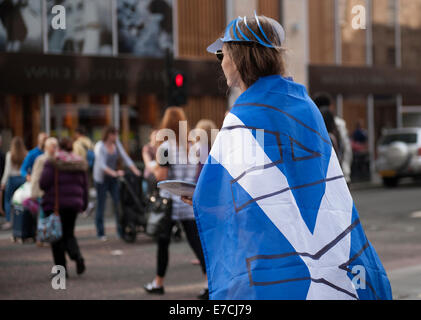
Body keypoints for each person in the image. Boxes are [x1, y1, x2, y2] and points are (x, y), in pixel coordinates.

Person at [185, 14, 392, 300]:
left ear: (239, 57)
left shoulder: (243, 117)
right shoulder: (305, 106)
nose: (221, 61)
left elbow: (239, 192)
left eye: (223, 53)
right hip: (332, 251)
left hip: (275, 255)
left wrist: (200, 196)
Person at [143, 107, 208, 299]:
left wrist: (149, 162)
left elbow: (161, 176)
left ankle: (158, 282)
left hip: (169, 203)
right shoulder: (192, 146)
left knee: (163, 244)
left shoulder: (165, 148)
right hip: (187, 201)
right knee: (197, 243)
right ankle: (208, 283)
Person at [40, 138, 88, 277]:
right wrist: (83, 203)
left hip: (55, 204)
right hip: (73, 205)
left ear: (58, 148)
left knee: (56, 239)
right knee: (69, 233)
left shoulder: (53, 162)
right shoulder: (79, 163)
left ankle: (61, 271)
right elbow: (85, 186)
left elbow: (43, 183)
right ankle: (77, 257)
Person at [93, 126, 141, 241]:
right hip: (101, 179)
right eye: (114, 134)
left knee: (118, 203)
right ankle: (101, 232)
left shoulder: (116, 144)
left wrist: (135, 170)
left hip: (113, 178)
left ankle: (120, 231)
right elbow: (101, 165)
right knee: (101, 204)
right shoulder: (100, 146)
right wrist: (114, 173)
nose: (116, 137)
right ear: (109, 134)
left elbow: (125, 157)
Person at [313, 93, 353, 184]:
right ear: (330, 106)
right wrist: (346, 172)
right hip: (339, 174)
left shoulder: (310, 125)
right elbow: (347, 149)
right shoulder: (339, 124)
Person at [1, 136, 27, 230]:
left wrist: (3, 182)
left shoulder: (10, 154)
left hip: (12, 179)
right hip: (22, 178)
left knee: (8, 201)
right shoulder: (25, 154)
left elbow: (7, 170)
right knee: (21, 201)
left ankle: (9, 221)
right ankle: (22, 219)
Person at [142, 129, 159, 194]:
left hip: (159, 174)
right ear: (150, 136)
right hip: (150, 174)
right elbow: (148, 163)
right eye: (154, 135)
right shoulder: (147, 148)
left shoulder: (161, 148)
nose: (156, 137)